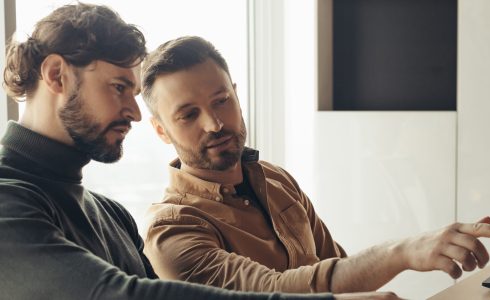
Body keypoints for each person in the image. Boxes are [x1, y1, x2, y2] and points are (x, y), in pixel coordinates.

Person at [0, 4, 395, 300]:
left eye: (134, 93)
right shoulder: (8, 197)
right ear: (56, 76)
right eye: (119, 87)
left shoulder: (110, 214)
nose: (134, 112)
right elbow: (120, 295)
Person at [141, 36, 490, 293]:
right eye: (189, 115)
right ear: (161, 130)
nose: (215, 123)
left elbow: (338, 268)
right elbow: (275, 292)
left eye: (222, 101)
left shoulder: (276, 179)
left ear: (236, 94)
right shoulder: (172, 231)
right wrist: (404, 252)